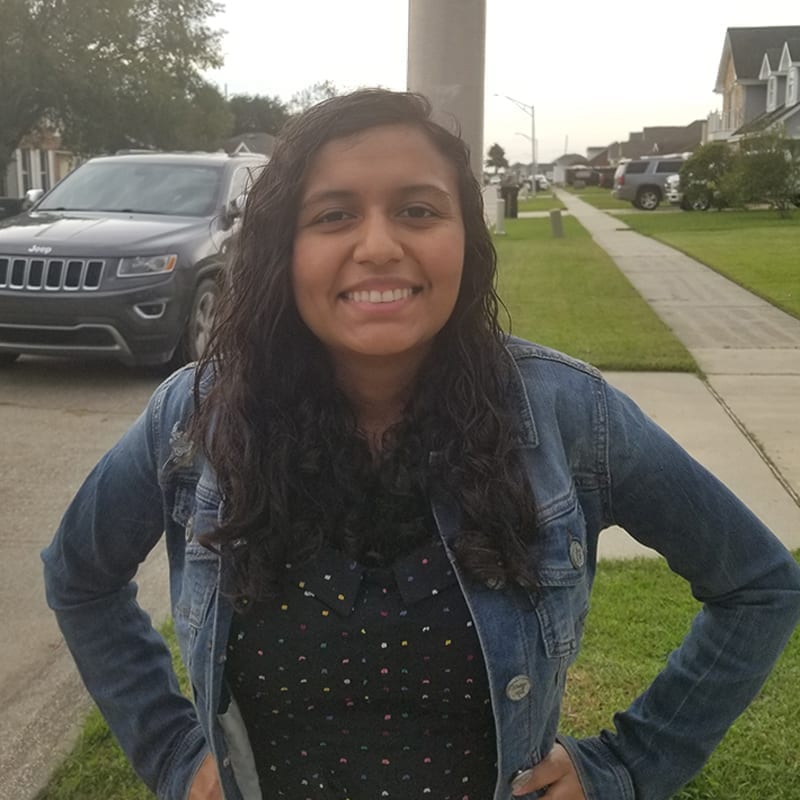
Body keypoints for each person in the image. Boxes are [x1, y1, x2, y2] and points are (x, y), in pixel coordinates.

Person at [43, 89, 800, 800]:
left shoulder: (570, 414)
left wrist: (630, 765)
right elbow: (80, 575)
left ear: (466, 237)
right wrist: (173, 753)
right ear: (282, 247)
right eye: (334, 215)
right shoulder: (198, 415)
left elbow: (759, 583)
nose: (378, 246)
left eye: (417, 210)